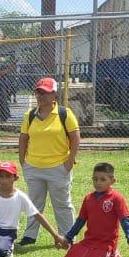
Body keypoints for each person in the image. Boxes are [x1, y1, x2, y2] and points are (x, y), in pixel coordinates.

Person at [18, 77, 79, 246]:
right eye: (38, 92)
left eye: (44, 92)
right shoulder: (30, 115)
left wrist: (69, 161)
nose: (40, 96)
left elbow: (75, 138)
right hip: (33, 167)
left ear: (54, 95)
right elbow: (23, 139)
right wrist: (23, 162)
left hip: (58, 167)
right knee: (34, 203)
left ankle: (68, 236)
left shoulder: (64, 114)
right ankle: (30, 235)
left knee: (62, 204)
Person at [62, 162, 129, 257]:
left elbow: (125, 220)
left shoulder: (117, 198)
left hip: (106, 243)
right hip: (89, 241)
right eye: (95, 179)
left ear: (112, 181)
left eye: (103, 179)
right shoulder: (88, 198)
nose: (98, 183)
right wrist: (68, 237)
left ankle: (115, 256)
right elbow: (80, 220)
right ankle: (94, 255)